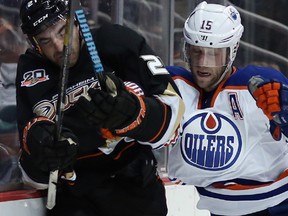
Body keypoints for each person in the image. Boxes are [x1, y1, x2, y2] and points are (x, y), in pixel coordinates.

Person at [16, 0, 184, 216]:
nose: (60, 47)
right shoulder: (30, 73)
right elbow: (33, 179)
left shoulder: (117, 42)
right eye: (45, 41)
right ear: (33, 43)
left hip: (136, 193)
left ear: (76, 21)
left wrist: (134, 115)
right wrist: (41, 151)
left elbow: (174, 124)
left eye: (62, 32)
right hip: (76, 202)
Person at [167, 1, 288, 216]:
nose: (203, 63)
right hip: (221, 210)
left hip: (277, 205)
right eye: (197, 52)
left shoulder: (256, 86)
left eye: (214, 54)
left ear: (232, 51)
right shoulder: (176, 86)